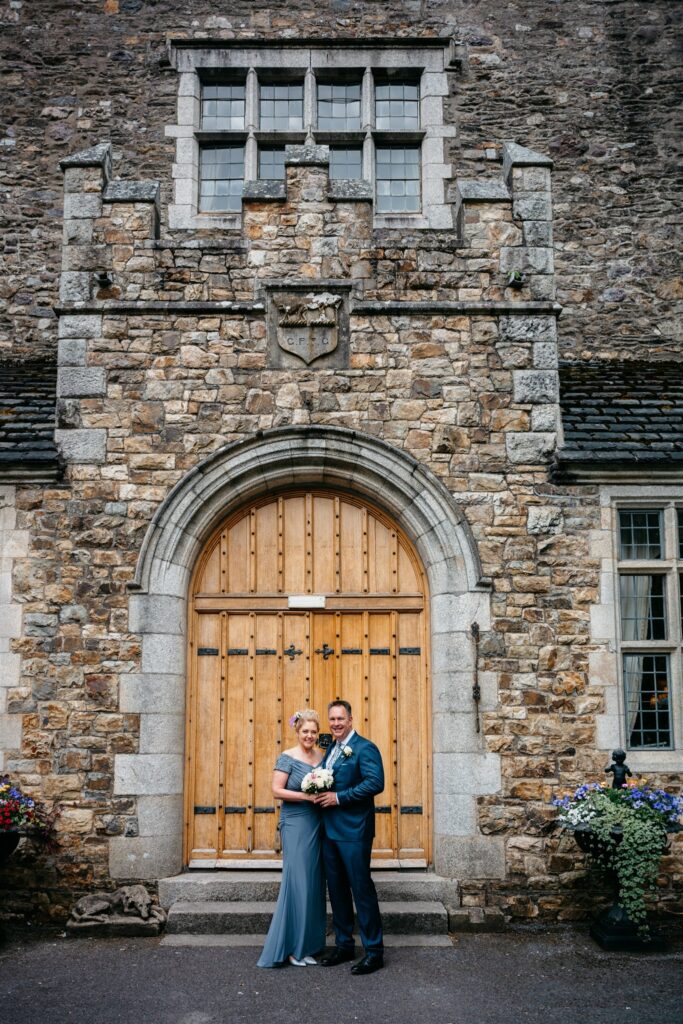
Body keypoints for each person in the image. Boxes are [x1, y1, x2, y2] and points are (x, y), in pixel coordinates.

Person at [315, 699, 385, 975]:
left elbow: (374, 783)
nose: (335, 724)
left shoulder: (365, 748)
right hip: (329, 830)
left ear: (351, 719)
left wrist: (339, 797)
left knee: (361, 889)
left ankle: (374, 952)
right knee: (338, 890)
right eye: (331, 719)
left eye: (340, 719)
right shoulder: (331, 748)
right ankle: (344, 945)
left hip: (355, 831)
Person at [257, 709, 326, 968]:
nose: (309, 735)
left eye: (313, 731)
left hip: (318, 824)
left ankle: (307, 946)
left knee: (314, 884)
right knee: (297, 883)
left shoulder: (322, 756)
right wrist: (306, 797)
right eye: (305, 731)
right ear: (297, 732)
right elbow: (276, 790)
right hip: (296, 823)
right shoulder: (287, 757)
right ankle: (290, 949)